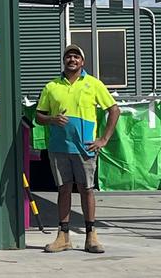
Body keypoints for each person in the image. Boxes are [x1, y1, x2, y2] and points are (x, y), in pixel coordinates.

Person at [36, 44, 120, 254]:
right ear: (63, 61)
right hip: (58, 147)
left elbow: (114, 110)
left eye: (76, 57)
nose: (72, 59)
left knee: (86, 189)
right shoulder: (51, 86)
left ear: (83, 62)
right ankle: (63, 236)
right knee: (63, 189)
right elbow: (38, 116)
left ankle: (91, 235)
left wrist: (103, 139)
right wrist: (52, 119)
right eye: (68, 56)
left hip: (85, 148)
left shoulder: (94, 84)